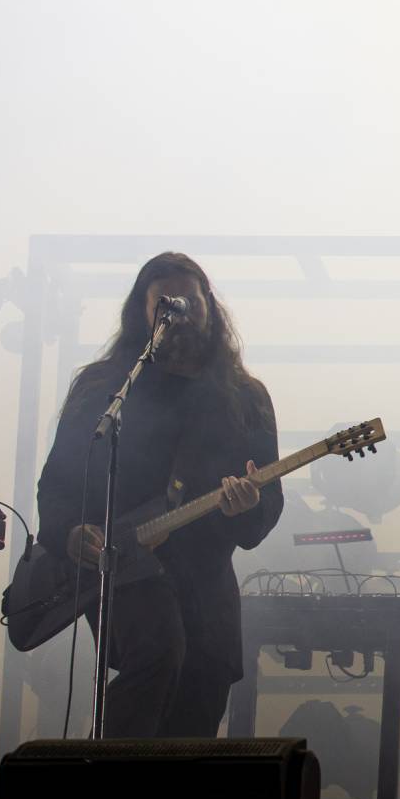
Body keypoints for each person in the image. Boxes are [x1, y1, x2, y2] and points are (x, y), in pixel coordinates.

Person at [36, 252, 284, 748]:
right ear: (142, 313)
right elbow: (59, 480)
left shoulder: (246, 397)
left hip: (206, 583)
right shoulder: (105, 389)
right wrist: (68, 532)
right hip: (126, 571)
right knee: (157, 653)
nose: (181, 314)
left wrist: (245, 508)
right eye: (166, 305)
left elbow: (267, 504)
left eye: (191, 302)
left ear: (210, 308)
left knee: (200, 700)